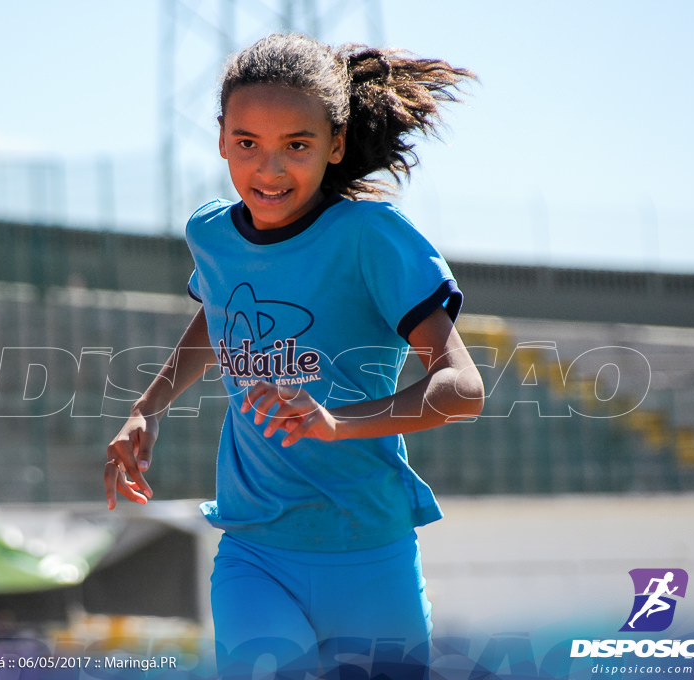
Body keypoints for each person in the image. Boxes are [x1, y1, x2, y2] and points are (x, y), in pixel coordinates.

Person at [104, 33, 483, 679]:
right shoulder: (211, 233)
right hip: (255, 549)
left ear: (335, 145)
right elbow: (216, 313)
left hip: (368, 549)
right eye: (247, 143)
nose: (269, 170)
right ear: (222, 136)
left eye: (297, 146)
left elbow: (462, 389)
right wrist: (148, 407)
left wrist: (340, 422)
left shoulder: (372, 236)